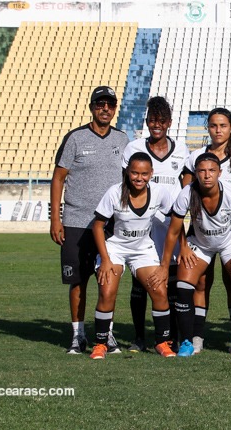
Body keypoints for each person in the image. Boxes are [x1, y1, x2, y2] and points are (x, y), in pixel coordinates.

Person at [162, 153, 231, 359]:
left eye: (211, 170)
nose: (207, 175)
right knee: (184, 288)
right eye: (202, 171)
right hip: (200, 245)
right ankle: (188, 340)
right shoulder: (187, 193)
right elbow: (173, 231)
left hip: (230, 243)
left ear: (220, 173)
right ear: (195, 173)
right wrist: (176, 255)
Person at [50, 86, 130, 355]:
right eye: (100, 104)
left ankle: (105, 335)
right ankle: (77, 335)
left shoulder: (122, 139)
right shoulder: (75, 138)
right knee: (78, 281)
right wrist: (55, 219)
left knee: (108, 280)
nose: (105, 108)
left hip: (110, 224)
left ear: (114, 108)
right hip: (75, 220)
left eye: (110, 104)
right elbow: (58, 177)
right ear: (92, 107)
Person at [89, 152, 176, 359]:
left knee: (159, 290)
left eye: (144, 174)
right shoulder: (114, 192)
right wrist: (105, 260)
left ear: (151, 173)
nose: (139, 178)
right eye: (135, 173)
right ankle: (100, 344)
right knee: (107, 291)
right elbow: (98, 226)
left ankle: (161, 342)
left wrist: (165, 263)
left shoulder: (159, 192)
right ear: (127, 172)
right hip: (115, 248)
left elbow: (175, 221)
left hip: (142, 248)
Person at [183, 107, 231, 355]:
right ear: (208, 128)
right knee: (202, 282)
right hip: (201, 230)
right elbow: (185, 195)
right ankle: (196, 337)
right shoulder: (195, 158)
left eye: (223, 125)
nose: (218, 130)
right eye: (213, 125)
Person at [122, 96, 189, 353]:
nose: (156, 125)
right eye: (152, 120)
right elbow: (126, 184)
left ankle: (168, 336)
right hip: (142, 224)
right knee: (140, 283)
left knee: (170, 282)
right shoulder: (134, 148)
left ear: (169, 122)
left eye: (161, 120)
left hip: (170, 225)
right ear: (147, 121)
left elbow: (185, 190)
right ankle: (139, 337)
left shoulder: (181, 150)